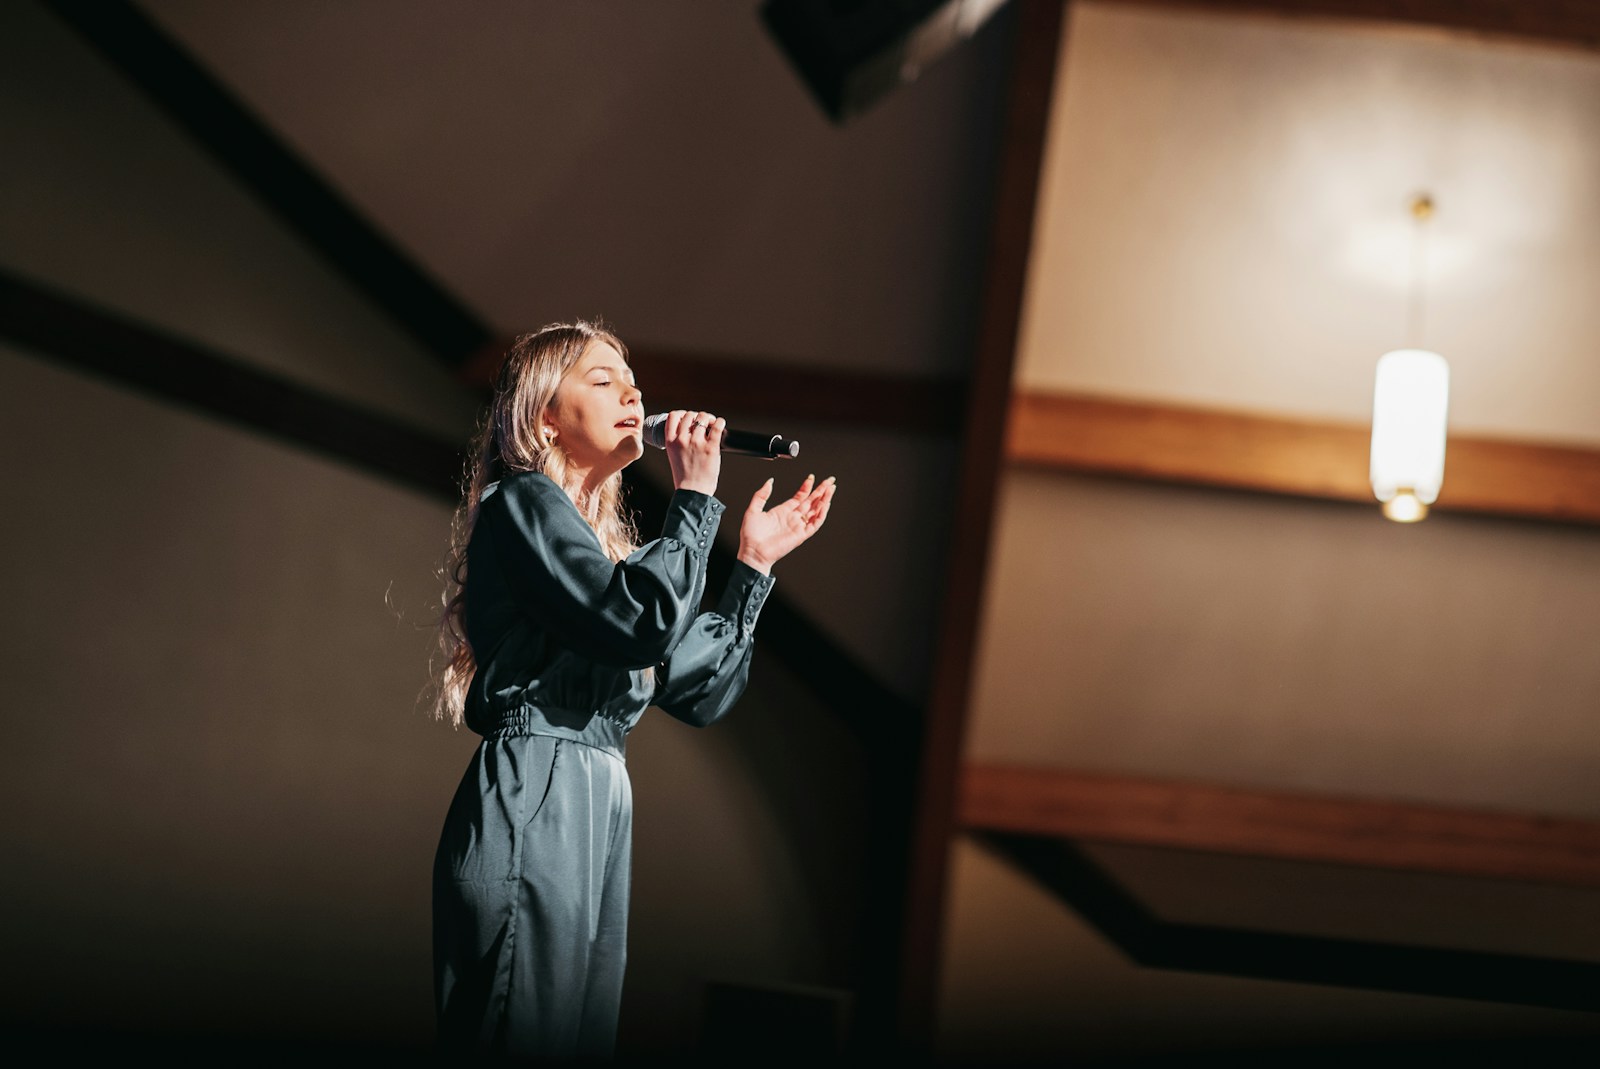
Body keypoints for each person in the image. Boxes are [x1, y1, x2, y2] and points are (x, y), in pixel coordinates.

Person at [426, 320, 834, 1059]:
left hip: (599, 790)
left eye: (635, 384)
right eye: (604, 379)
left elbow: (696, 688)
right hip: (542, 779)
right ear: (545, 411)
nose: (633, 394)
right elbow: (637, 622)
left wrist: (751, 563)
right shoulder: (521, 502)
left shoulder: (608, 556)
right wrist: (695, 498)